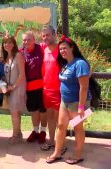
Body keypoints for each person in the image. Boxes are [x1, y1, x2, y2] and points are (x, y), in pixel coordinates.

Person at [46, 36, 91, 164]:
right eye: (60, 49)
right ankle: (57, 152)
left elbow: (84, 87)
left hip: (77, 103)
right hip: (64, 102)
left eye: (65, 48)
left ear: (72, 48)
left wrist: (81, 107)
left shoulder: (80, 63)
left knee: (77, 128)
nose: (62, 51)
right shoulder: (66, 64)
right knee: (61, 126)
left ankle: (78, 155)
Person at [40, 25, 67, 154]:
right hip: (46, 90)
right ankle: (51, 141)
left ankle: (60, 144)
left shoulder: (61, 49)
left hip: (59, 90)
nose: (45, 38)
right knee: (50, 118)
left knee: (59, 120)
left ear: (54, 35)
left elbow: (75, 60)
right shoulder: (43, 49)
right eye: (43, 35)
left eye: (48, 35)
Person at [21, 31, 47, 144]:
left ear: (34, 40)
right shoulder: (21, 52)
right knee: (34, 110)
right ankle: (35, 131)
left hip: (43, 85)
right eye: (24, 40)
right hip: (29, 87)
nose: (26, 42)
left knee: (43, 110)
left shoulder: (41, 47)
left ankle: (43, 131)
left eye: (28, 39)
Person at [1, 36, 26, 144]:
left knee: (14, 112)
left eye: (10, 42)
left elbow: (22, 74)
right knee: (14, 112)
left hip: (17, 87)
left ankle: (15, 135)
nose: (8, 45)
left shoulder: (18, 55)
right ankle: (18, 133)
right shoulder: (6, 57)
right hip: (9, 88)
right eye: (5, 43)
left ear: (14, 44)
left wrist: (14, 86)